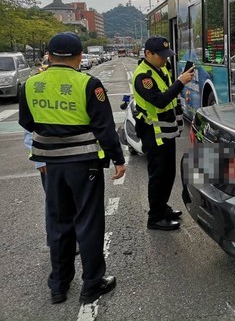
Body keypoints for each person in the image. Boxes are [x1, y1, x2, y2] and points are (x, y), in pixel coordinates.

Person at [18, 32, 126, 305]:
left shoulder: (30, 84)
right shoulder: (89, 84)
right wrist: (118, 159)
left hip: (51, 165)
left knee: (58, 223)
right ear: (79, 57)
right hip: (84, 164)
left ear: (49, 55)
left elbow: (26, 122)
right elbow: (105, 128)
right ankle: (91, 284)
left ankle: (59, 285)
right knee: (88, 222)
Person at [133, 36, 194, 231]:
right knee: (158, 175)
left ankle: (162, 206)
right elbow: (159, 100)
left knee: (168, 174)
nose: (165, 60)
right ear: (148, 54)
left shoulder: (161, 68)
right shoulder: (143, 77)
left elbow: (169, 94)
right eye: (161, 56)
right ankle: (155, 217)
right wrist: (181, 82)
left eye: (166, 56)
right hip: (153, 132)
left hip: (166, 130)